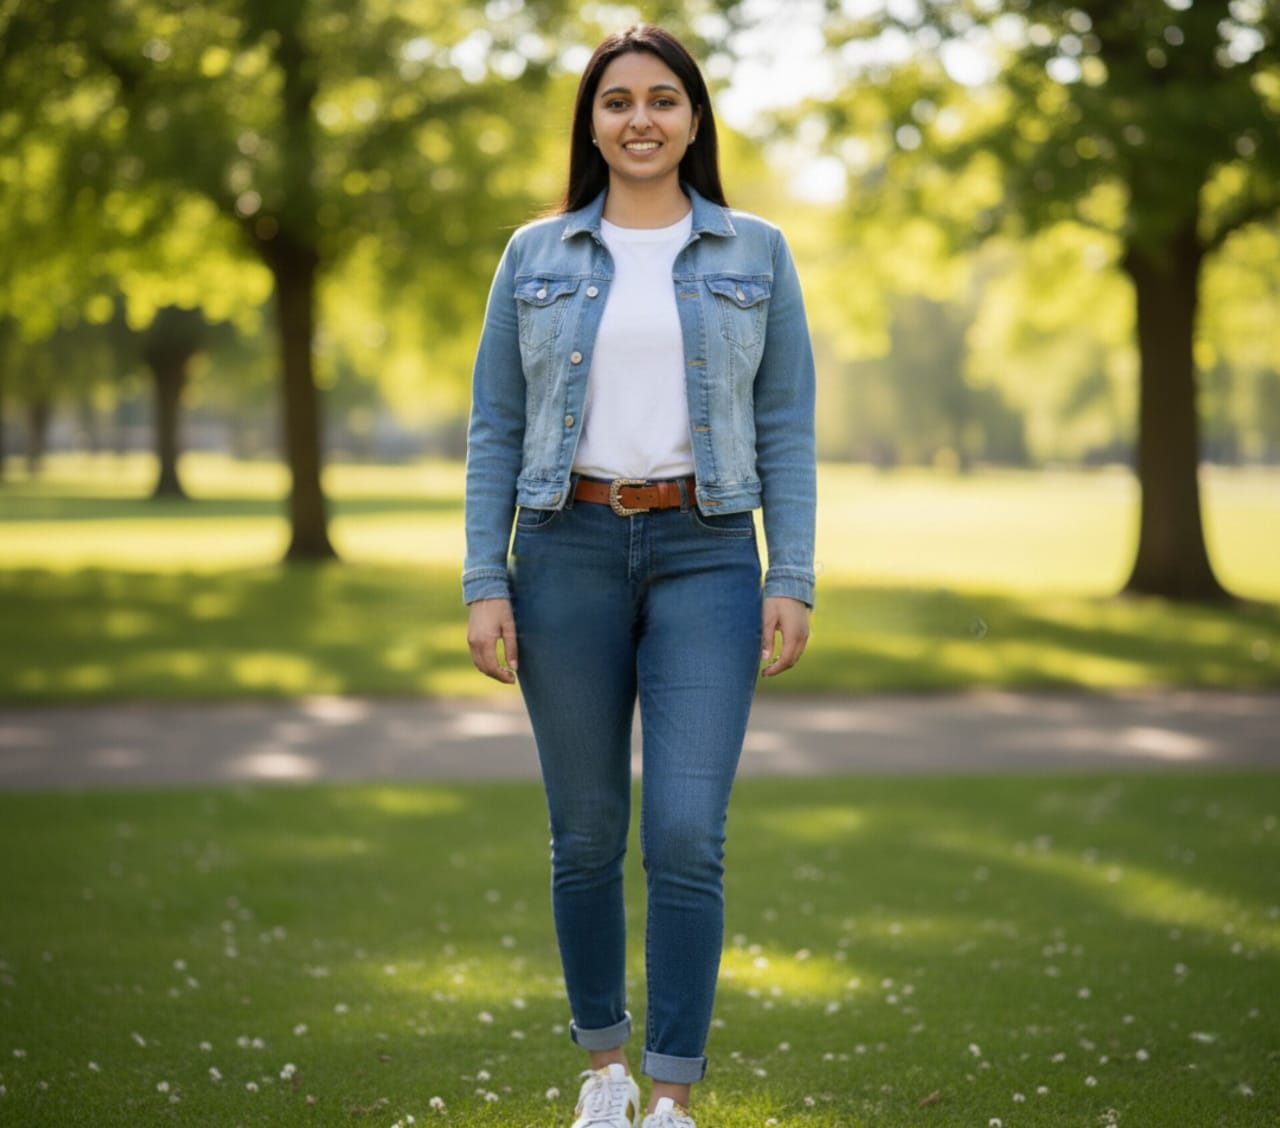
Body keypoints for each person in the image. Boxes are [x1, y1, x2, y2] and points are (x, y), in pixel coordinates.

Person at [462, 23, 816, 1128]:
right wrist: (484, 579)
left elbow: (787, 424)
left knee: (684, 835)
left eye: (663, 99)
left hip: (706, 552)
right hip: (561, 548)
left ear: (694, 120)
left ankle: (670, 1092)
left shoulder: (755, 251)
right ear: (592, 124)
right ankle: (602, 1071)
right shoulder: (534, 254)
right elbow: (492, 427)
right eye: (618, 102)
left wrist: (790, 573)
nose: (641, 119)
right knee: (582, 834)